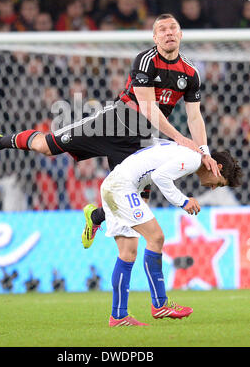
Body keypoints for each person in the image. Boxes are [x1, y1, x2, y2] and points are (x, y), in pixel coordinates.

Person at [0, 14, 220, 246]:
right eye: (162, 29)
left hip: (140, 142)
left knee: (136, 203)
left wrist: (204, 151)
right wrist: (178, 138)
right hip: (112, 123)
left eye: (173, 28)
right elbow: (148, 108)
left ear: (181, 34)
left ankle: (95, 216)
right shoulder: (146, 60)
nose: (168, 33)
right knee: (45, 147)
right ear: (155, 37)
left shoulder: (190, 72)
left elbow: (194, 116)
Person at [101, 139, 242, 326]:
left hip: (115, 184)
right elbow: (160, 177)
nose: (214, 187)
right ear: (218, 167)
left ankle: (118, 316)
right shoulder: (193, 159)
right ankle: (160, 304)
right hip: (123, 187)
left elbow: (157, 148)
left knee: (127, 253)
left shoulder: (189, 152)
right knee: (156, 238)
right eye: (219, 183)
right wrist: (183, 201)